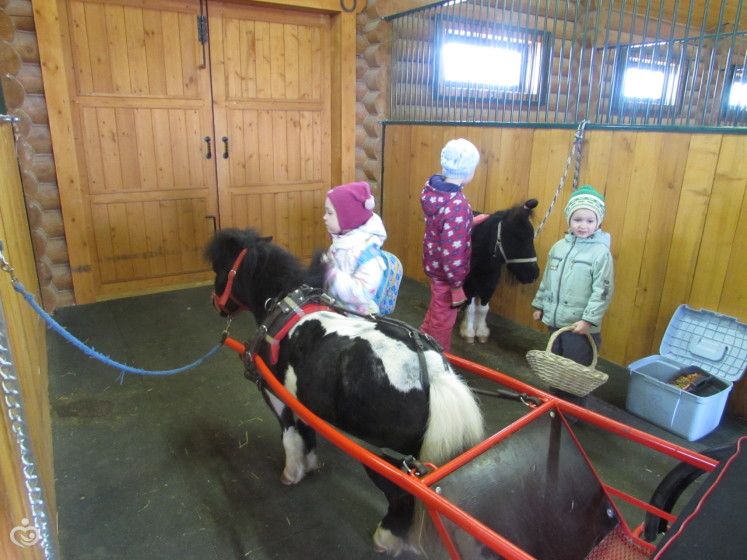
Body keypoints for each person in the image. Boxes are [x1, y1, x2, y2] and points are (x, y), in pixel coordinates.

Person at [531, 185, 615, 404]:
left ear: (599, 222)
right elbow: (548, 279)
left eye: (590, 220)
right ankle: (553, 404)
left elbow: (603, 291)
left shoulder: (600, 253)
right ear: (569, 219)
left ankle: (571, 412)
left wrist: (589, 320)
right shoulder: (558, 247)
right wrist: (540, 305)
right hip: (556, 323)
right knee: (555, 367)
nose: (583, 225)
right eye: (578, 219)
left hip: (580, 328)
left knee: (575, 372)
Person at [419, 138, 480, 352]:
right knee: (442, 323)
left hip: (434, 267)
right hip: (448, 276)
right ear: (468, 171)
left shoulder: (434, 193)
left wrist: (469, 221)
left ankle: (418, 345)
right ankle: (437, 360)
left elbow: (443, 228)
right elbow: (452, 252)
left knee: (436, 312)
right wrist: (457, 283)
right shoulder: (456, 204)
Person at [322, 181, 387, 315]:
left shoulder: (369, 256)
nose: (324, 217)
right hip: (334, 308)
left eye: (329, 213)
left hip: (357, 318)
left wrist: (331, 274)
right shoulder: (341, 242)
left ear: (348, 218)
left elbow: (362, 294)